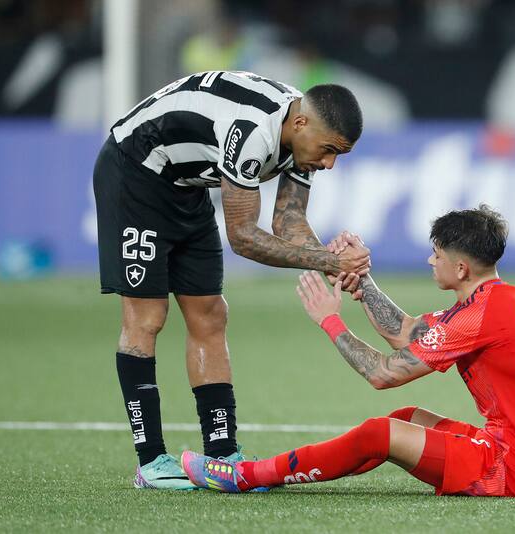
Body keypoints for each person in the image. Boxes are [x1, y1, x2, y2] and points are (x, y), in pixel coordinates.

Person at [93, 70, 370, 489]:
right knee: (147, 317)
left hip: (186, 186)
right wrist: (331, 264)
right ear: (301, 125)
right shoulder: (253, 130)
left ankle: (223, 454)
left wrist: (330, 261)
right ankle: (150, 462)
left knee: (210, 314)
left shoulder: (304, 131)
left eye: (338, 155)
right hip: (135, 174)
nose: (329, 163)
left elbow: (288, 220)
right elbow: (242, 236)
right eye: (329, 151)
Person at [182, 205, 515, 497]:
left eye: (437, 255)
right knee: (408, 418)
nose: (429, 261)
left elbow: (383, 374)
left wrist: (330, 321)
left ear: (462, 268)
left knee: (380, 432)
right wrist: (361, 281)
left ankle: (248, 476)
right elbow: (406, 333)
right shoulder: (498, 301)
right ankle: (319, 467)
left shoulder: (479, 316)